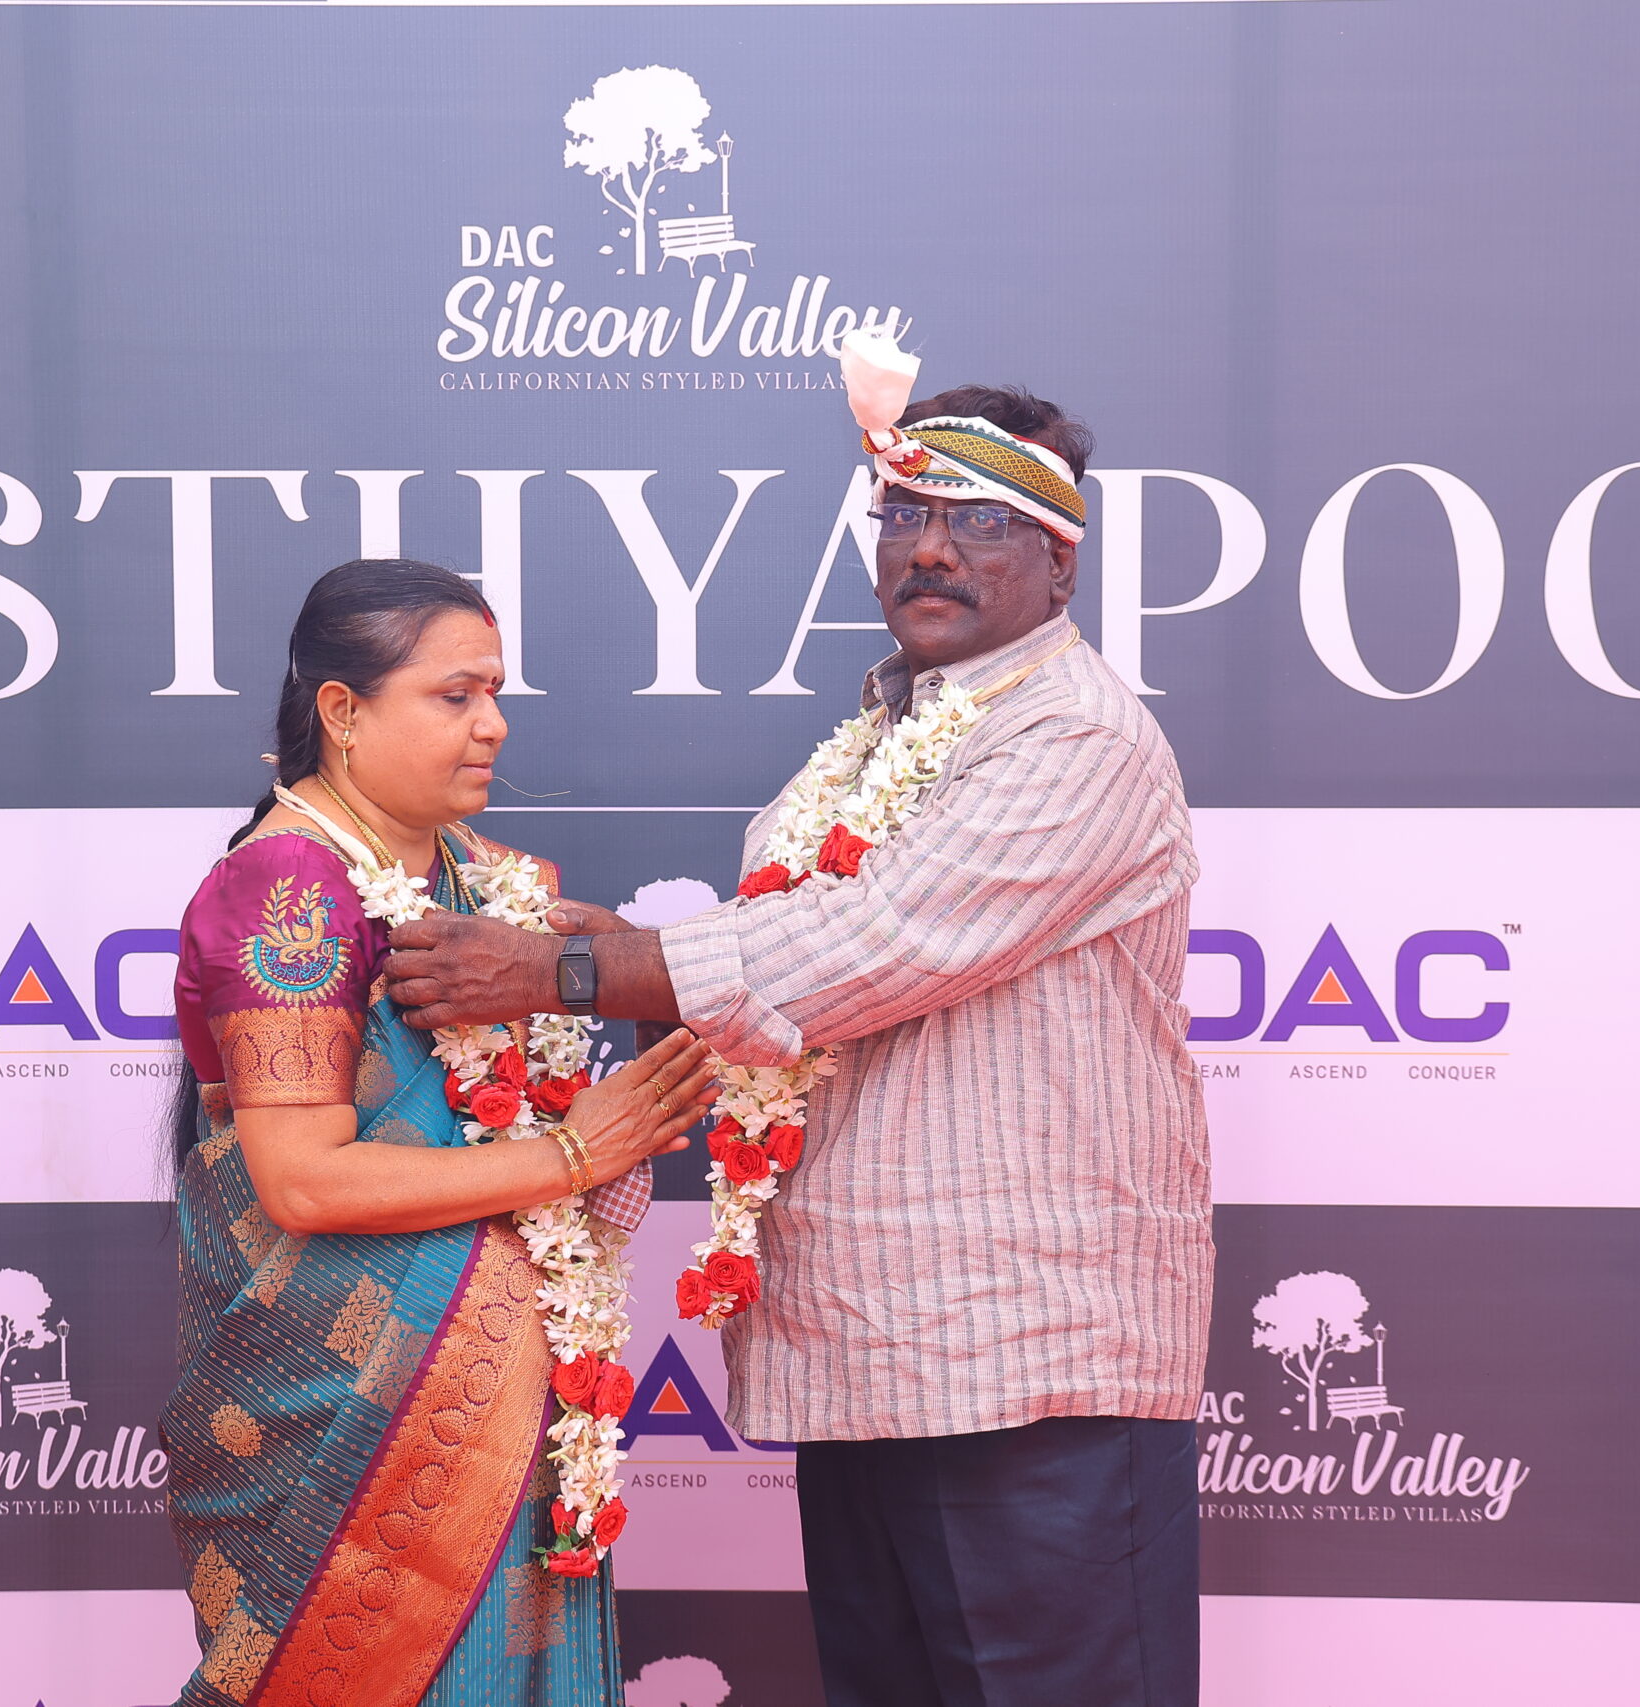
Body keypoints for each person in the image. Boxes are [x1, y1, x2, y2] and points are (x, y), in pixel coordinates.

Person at [381, 363, 1213, 1707]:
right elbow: (802, 952)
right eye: (904, 512)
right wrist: (602, 949)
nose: (929, 546)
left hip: (1031, 1368)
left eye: (979, 520)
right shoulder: (884, 734)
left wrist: (563, 968)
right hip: (874, 1351)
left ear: (1060, 562)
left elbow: (862, 946)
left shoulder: (1077, 736)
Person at [162, 558, 718, 1707]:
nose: (492, 725)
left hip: (508, 1407)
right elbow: (303, 1183)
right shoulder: (289, 892)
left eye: (494, 692)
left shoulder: (485, 886)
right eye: (453, 695)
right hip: (347, 1423)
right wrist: (574, 1155)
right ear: (342, 711)